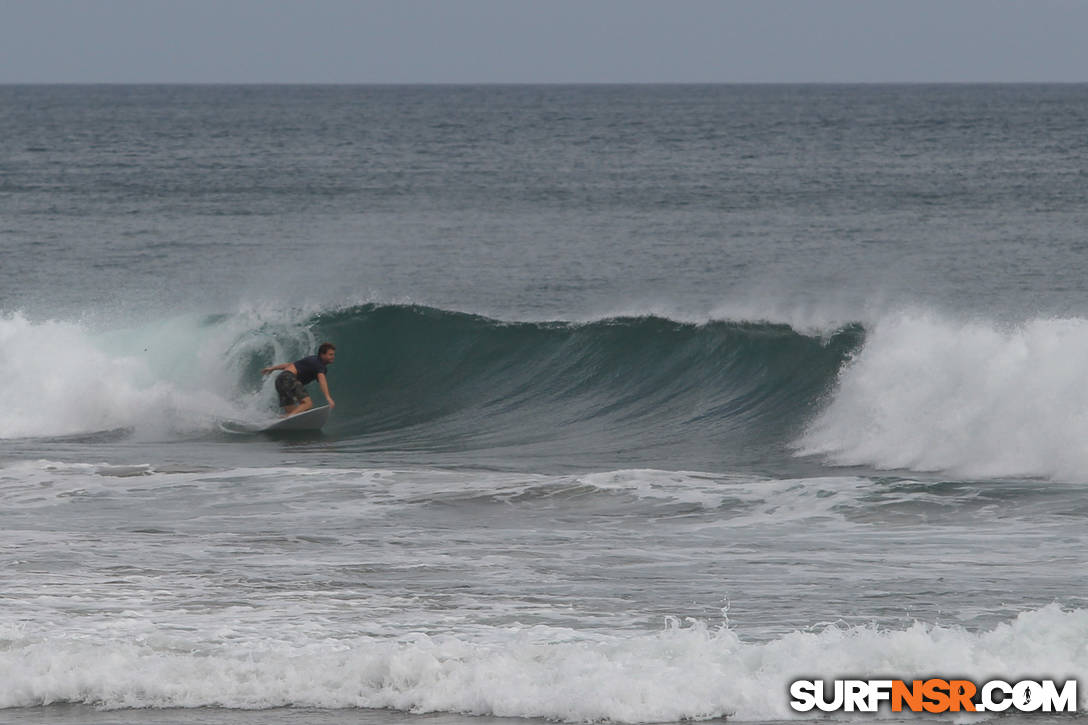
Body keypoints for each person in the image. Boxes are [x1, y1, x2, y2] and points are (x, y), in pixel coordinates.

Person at [261, 342, 336, 416]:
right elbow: (322, 379)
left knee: (292, 414)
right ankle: (289, 416)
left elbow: (290, 365)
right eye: (330, 354)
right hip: (289, 378)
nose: (333, 356)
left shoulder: (312, 359)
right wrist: (328, 397)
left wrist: (272, 368)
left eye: (333, 354)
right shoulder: (320, 364)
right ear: (322, 355)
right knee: (308, 404)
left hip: (280, 380)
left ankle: (286, 418)